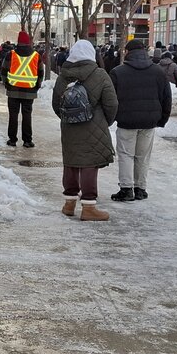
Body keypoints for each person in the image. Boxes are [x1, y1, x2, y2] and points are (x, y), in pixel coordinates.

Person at [52, 39, 119, 221]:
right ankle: (89, 207)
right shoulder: (100, 74)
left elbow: (56, 104)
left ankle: (69, 204)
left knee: (71, 162)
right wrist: (104, 122)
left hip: (69, 127)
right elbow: (112, 103)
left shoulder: (63, 76)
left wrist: (68, 118)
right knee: (89, 164)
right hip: (94, 125)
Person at [109, 40, 172, 202]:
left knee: (126, 154)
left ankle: (126, 188)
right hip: (149, 121)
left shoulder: (118, 72)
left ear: (127, 52)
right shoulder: (158, 72)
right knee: (143, 156)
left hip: (126, 121)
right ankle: (140, 188)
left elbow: (110, 100)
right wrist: (162, 119)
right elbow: (166, 98)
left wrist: (111, 118)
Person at [4, 32, 42, 148]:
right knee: (27, 115)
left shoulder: (11, 54)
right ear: (28, 42)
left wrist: (7, 84)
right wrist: (36, 86)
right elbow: (40, 73)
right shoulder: (36, 55)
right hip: (29, 91)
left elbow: (4, 70)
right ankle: (27, 140)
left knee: (13, 115)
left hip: (13, 90)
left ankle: (12, 139)